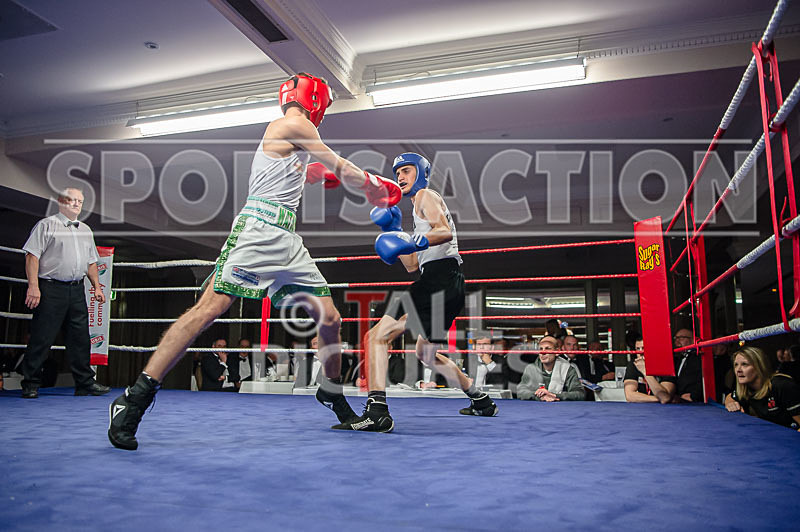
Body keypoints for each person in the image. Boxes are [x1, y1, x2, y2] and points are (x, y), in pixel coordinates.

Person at [108, 72, 402, 450]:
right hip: (258, 230)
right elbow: (340, 164)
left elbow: (313, 169)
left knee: (330, 318)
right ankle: (133, 399)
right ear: (314, 101)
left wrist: (323, 176)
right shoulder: (294, 124)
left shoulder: (292, 135)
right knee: (208, 310)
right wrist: (373, 187)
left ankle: (330, 390)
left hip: (287, 239)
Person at [334, 152, 498, 432]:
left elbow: (443, 231)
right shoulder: (415, 209)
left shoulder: (425, 196)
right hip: (446, 281)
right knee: (426, 353)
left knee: (375, 336)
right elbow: (412, 265)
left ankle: (377, 411)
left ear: (421, 173)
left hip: (440, 278)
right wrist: (394, 230)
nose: (400, 177)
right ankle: (481, 400)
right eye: (397, 172)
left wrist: (412, 239)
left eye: (406, 171)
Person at [21, 187, 110, 399]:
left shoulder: (85, 230)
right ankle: (31, 383)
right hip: (50, 288)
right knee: (42, 336)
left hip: (77, 289)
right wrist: (33, 285)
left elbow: (91, 262)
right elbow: (32, 256)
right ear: (61, 202)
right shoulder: (47, 225)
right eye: (72, 200)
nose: (77, 204)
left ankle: (85, 383)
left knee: (80, 338)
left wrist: (96, 286)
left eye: (80, 201)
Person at [724, 346, 800, 431]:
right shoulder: (747, 388)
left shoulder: (782, 385)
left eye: (744, 364)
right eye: (736, 365)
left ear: (759, 366)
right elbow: (730, 397)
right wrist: (731, 403)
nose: (738, 370)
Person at [516, 335, 584, 401]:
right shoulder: (530, 368)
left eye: (547, 348)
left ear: (557, 352)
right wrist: (538, 396)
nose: (543, 352)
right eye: (541, 349)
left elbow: (580, 394)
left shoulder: (568, 369)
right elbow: (520, 391)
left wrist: (554, 395)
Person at [623, 336, 676, 403]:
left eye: (643, 348)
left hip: (665, 410)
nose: (640, 352)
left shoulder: (665, 365)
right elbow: (629, 396)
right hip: (643, 408)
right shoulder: (634, 364)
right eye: (638, 349)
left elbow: (664, 397)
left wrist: (644, 371)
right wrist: (658, 399)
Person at [672, 328, 703, 402]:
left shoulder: (699, 357)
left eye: (681, 338)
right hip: (678, 399)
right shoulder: (677, 358)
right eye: (676, 338)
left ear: (693, 340)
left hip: (695, 401)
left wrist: (694, 395)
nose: (677, 341)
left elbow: (704, 378)